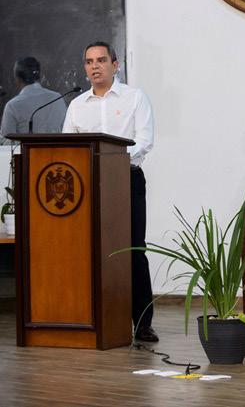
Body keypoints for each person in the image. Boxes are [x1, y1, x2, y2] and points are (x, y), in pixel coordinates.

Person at [62, 42, 157, 342]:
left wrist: (114, 162)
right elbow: (68, 147)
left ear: (115, 65)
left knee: (133, 249)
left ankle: (142, 323)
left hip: (126, 180)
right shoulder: (77, 105)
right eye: (89, 61)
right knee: (90, 249)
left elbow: (145, 139)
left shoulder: (134, 97)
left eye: (101, 60)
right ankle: (92, 318)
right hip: (87, 185)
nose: (95, 66)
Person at [0, 57, 67, 144]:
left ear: (17, 79)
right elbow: (67, 131)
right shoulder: (57, 98)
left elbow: (6, 142)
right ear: (39, 76)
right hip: (58, 151)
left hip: (26, 152)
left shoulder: (12, 105)